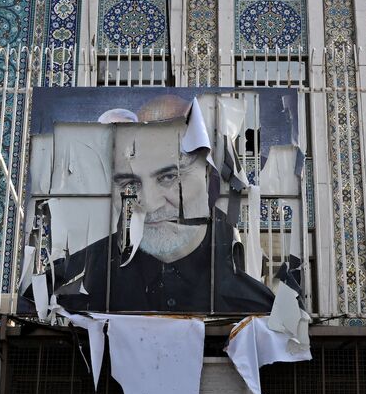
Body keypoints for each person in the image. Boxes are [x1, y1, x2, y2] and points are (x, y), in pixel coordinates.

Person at [50, 119, 275, 313]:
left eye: (169, 177)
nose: (148, 203)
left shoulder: (255, 302)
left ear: (209, 178)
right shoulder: (78, 279)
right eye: (130, 183)